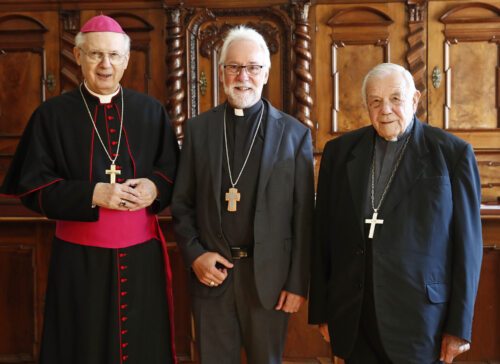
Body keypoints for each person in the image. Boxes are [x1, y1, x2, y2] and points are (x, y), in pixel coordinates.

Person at [0, 15, 179, 364]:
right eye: (95, 55)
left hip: (141, 260)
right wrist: (92, 194)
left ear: (127, 60)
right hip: (79, 262)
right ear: (78, 57)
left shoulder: (151, 111)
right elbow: (32, 187)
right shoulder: (51, 116)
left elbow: (173, 170)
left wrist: (155, 188)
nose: (105, 64)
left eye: (114, 55)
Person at [309, 63, 483, 364]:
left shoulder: (452, 153)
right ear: (366, 106)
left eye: (395, 99)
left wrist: (459, 327)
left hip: (421, 319)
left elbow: (468, 247)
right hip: (354, 315)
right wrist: (323, 311)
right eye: (375, 101)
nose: (385, 109)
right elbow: (322, 235)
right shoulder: (339, 153)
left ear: (414, 100)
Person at [171, 25, 314, 364]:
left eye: (252, 67)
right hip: (212, 276)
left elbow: (304, 216)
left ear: (265, 73)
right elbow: (182, 204)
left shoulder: (294, 135)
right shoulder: (198, 130)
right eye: (233, 66)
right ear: (221, 73)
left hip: (270, 282)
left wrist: (297, 284)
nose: (243, 76)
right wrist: (195, 255)